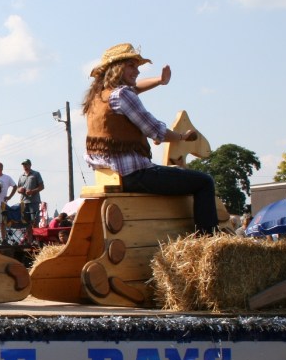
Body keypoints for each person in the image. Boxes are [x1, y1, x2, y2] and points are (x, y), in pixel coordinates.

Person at [82, 42, 218, 234]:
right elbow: (155, 131)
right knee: (204, 182)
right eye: (131, 65)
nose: (137, 71)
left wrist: (160, 81)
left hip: (110, 175)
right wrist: (181, 137)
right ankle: (207, 237)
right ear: (117, 68)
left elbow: (136, 88)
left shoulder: (98, 97)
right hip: (134, 174)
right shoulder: (122, 95)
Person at [17, 159, 44, 244]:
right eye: (23, 165)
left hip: (34, 201)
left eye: (26, 164)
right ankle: (29, 242)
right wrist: (20, 190)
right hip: (24, 202)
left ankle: (37, 241)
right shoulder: (21, 176)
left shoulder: (36, 174)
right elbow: (17, 189)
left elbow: (42, 187)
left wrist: (32, 191)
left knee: (35, 221)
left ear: (30, 165)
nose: (25, 166)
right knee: (26, 223)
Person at [0, 162, 17, 243]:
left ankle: (4, 239)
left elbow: (15, 186)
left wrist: (9, 197)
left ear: (1, 169)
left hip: (2, 204)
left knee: (2, 222)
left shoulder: (7, 177)